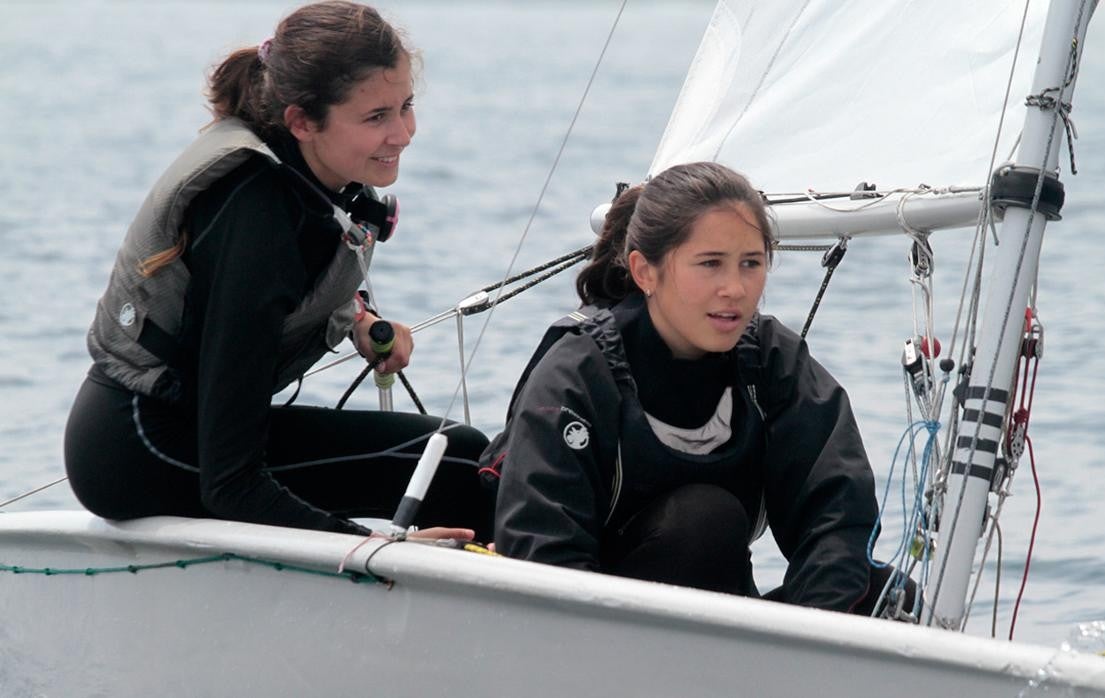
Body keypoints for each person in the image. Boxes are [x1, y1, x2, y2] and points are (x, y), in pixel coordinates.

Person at [64, 1, 490, 542]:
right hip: (143, 451)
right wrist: (377, 551)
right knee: (460, 468)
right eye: (376, 117)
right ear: (301, 122)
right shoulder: (258, 219)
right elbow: (234, 484)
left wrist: (358, 317)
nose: (404, 133)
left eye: (405, 106)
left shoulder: (302, 178)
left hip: (183, 434)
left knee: (463, 456)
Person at [484, 161, 893, 613]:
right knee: (705, 519)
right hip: (594, 629)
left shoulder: (773, 362)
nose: (735, 288)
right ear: (645, 272)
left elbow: (837, 521)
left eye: (751, 264)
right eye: (710, 264)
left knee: (883, 594)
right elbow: (542, 557)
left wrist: (813, 646)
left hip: (724, 635)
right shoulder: (577, 375)